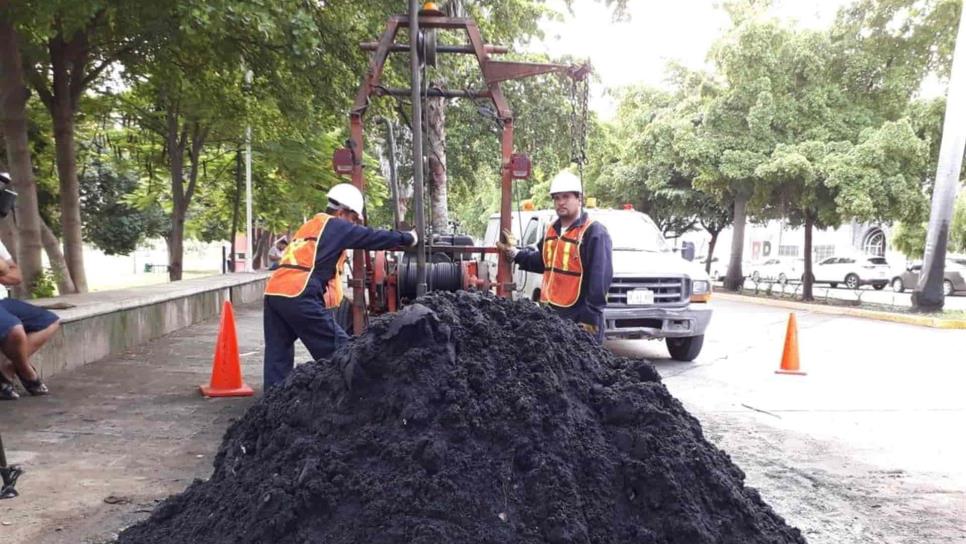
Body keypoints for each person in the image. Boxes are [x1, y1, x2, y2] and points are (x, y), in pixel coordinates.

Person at [262, 183, 417, 389]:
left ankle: (272, 407)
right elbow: (370, 237)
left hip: (275, 292)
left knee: (277, 356)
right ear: (342, 212)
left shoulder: (311, 225)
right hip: (299, 294)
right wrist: (407, 238)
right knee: (340, 348)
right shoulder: (335, 225)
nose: (353, 225)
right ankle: (369, 394)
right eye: (353, 219)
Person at [498, 170, 613, 342]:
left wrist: (590, 319)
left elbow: (600, 280)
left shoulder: (594, 232)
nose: (561, 202)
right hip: (552, 315)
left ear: (579, 198)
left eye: (566, 197)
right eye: (557, 198)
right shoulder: (552, 230)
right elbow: (543, 262)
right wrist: (515, 254)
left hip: (580, 318)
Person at [0, 172, 61, 400]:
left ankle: (8, 368)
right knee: (15, 330)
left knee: (50, 321)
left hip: (3, 301)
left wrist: (3, 271)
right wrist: (3, 270)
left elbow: (14, 274)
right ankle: (26, 372)